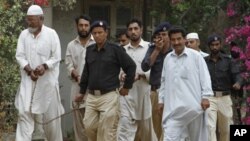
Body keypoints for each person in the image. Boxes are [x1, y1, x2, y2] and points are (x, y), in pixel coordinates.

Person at [74, 20, 136, 141]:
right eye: (95, 33)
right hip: (91, 96)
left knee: (107, 132)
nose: (97, 35)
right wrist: (81, 92)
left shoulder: (115, 49)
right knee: (88, 127)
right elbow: (86, 72)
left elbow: (131, 66)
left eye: (100, 32)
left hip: (109, 96)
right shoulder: (89, 50)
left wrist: (127, 87)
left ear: (106, 33)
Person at [15, 5, 64, 141]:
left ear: (41, 18)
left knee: (52, 122)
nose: (29, 23)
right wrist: (29, 70)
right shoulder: (24, 35)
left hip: (47, 84)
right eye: (28, 20)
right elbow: (19, 56)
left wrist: (44, 66)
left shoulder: (51, 34)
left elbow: (56, 57)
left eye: (32, 20)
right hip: (28, 82)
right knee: (24, 116)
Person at [159, 26, 213, 141]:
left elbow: (205, 77)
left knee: (196, 138)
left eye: (179, 39)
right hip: (173, 110)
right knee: (169, 137)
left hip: (194, 107)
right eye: (173, 40)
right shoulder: (168, 58)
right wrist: (161, 100)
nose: (176, 42)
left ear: (185, 40)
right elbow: (163, 81)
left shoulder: (196, 57)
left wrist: (206, 97)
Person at [117, 18, 157, 141]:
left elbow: (156, 71)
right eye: (130, 29)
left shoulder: (150, 48)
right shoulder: (122, 49)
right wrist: (122, 75)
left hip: (144, 94)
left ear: (141, 30)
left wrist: (141, 75)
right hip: (126, 95)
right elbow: (118, 70)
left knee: (146, 134)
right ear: (127, 32)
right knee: (124, 131)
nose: (133, 32)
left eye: (136, 29)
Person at [204, 34, 243, 141]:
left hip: (225, 98)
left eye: (217, 44)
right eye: (212, 45)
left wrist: (238, 82)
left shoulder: (228, 60)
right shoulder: (204, 61)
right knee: (209, 127)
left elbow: (237, 75)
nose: (215, 47)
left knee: (226, 129)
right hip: (210, 97)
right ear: (209, 46)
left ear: (220, 45)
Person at [65, 15, 95, 141]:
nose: (83, 28)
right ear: (77, 26)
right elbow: (68, 65)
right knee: (79, 127)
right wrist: (74, 73)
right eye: (81, 25)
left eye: (86, 25)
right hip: (77, 90)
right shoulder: (71, 45)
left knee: (92, 127)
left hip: (94, 92)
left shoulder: (96, 43)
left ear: (90, 27)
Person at [141, 22, 172, 140]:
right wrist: (157, 50)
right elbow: (145, 67)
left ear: (169, 36)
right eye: (159, 35)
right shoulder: (152, 49)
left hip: (171, 93)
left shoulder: (174, 51)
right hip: (155, 92)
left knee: (170, 125)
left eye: (164, 34)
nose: (162, 38)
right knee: (157, 125)